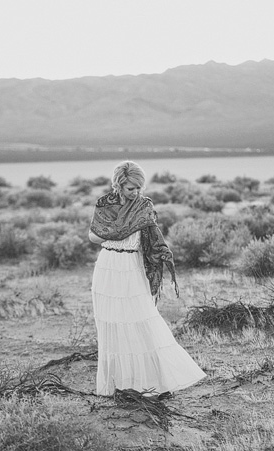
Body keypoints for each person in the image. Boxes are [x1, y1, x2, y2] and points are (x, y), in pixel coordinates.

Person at [88, 160, 206, 396]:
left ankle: (149, 382)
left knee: (140, 319)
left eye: (139, 187)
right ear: (119, 185)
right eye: (131, 188)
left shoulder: (144, 206)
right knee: (112, 322)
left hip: (132, 267)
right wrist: (115, 232)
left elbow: (151, 237)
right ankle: (119, 384)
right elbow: (93, 235)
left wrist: (119, 234)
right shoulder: (104, 205)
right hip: (108, 266)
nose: (136, 192)